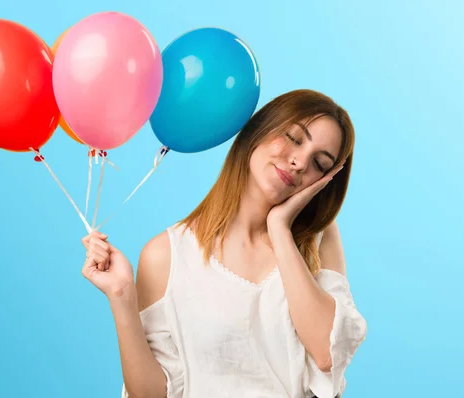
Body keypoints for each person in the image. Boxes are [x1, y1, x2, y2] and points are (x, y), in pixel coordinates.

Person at [81, 89, 368, 398]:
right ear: (259, 129)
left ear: (324, 182)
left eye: (320, 163)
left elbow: (329, 354)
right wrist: (122, 295)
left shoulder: (318, 240)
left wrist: (279, 230)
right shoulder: (167, 254)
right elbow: (152, 394)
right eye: (293, 138)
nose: (299, 161)